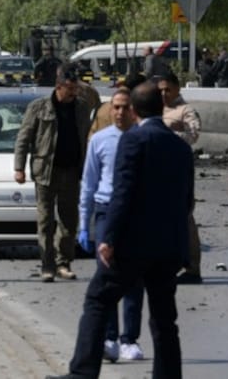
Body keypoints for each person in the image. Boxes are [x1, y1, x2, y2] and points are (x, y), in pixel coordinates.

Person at [48, 82, 193, 379]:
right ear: (162, 108)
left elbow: (122, 192)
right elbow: (187, 201)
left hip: (132, 244)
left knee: (98, 299)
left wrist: (108, 238)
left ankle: (82, 372)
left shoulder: (133, 140)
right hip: (168, 247)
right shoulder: (180, 146)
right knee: (165, 318)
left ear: (135, 111)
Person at [77, 88, 145, 363]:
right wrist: (84, 223)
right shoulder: (100, 141)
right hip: (105, 210)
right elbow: (89, 182)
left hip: (135, 213)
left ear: (133, 110)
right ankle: (110, 337)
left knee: (134, 279)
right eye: (115, 107)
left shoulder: (142, 139)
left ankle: (130, 338)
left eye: (124, 107)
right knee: (106, 275)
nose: (119, 112)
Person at [14, 62, 92, 282]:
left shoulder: (82, 107)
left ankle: (63, 263)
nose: (74, 92)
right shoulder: (39, 107)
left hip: (72, 171)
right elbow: (23, 138)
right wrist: (19, 168)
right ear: (59, 87)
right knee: (46, 221)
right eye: (70, 88)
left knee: (69, 221)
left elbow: (86, 137)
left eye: (76, 88)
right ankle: (47, 265)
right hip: (46, 172)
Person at [158, 73, 203, 285]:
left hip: (179, 170)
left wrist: (166, 135)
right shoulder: (156, 110)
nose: (164, 94)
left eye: (168, 90)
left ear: (177, 89)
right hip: (158, 169)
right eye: (161, 90)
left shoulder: (185, 110)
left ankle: (193, 267)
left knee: (185, 218)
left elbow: (193, 134)